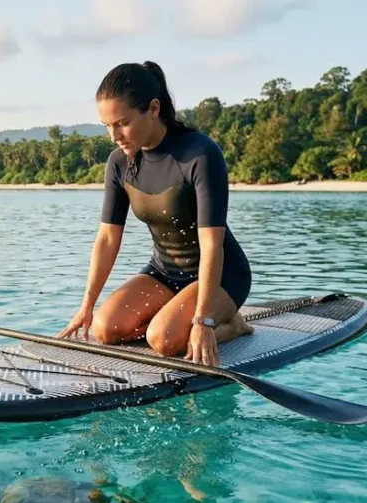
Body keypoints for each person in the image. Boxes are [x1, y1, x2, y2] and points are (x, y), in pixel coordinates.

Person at [58, 61, 253, 367]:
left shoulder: (199, 155)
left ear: (153, 108)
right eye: (106, 125)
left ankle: (232, 325)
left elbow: (211, 245)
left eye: (122, 123)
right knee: (104, 329)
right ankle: (175, 319)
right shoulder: (119, 164)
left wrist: (203, 322)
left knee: (162, 340)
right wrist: (87, 305)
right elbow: (107, 239)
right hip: (164, 273)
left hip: (221, 276)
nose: (114, 136)